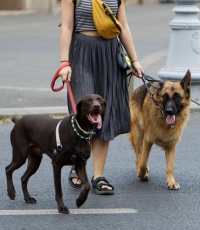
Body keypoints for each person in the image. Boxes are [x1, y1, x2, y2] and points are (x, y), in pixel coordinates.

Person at [59, 0, 142, 195]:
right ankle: (78, 163)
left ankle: (98, 175)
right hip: (82, 53)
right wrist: (64, 62)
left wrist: (135, 60)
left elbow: (123, 27)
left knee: (104, 115)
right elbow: (67, 26)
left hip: (110, 55)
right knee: (84, 113)